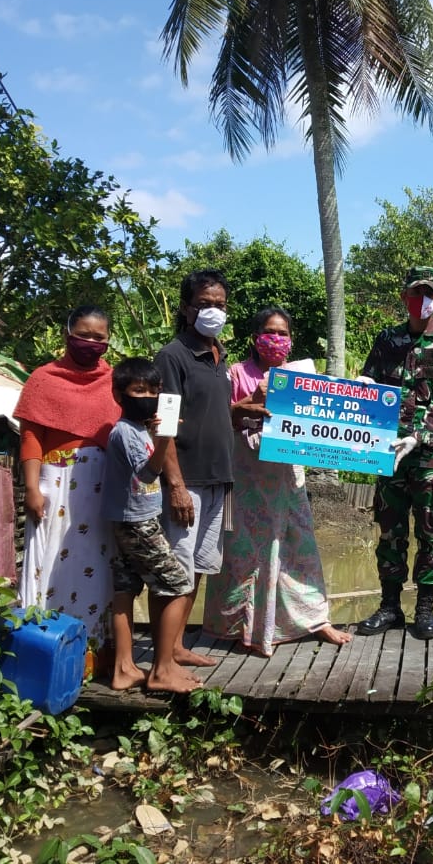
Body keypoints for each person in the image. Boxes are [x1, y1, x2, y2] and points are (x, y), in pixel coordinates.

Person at [202, 308, 352, 656]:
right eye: (270, 332)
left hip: (288, 475)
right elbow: (219, 419)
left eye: (283, 333)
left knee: (300, 547)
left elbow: (328, 422)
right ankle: (247, 627)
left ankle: (314, 620)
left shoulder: (301, 377)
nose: (277, 339)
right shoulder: (235, 373)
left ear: (291, 339)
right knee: (247, 553)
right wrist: (248, 404)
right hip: (248, 476)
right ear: (256, 336)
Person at [154, 270, 259, 668]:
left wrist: (239, 411)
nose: (213, 311)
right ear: (185, 307)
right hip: (188, 481)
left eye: (219, 304)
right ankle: (162, 665)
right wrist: (176, 485)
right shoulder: (173, 356)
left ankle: (177, 645)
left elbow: (207, 414)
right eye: (204, 303)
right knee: (174, 569)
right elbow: (164, 425)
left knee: (196, 567)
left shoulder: (217, 355)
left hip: (218, 479)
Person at [356, 267, 433, 640]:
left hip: (427, 457)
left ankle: (424, 608)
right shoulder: (388, 339)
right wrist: (360, 387)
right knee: (390, 531)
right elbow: (368, 383)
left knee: (431, 532)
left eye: (428, 293)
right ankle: (389, 607)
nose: (421, 300)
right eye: (415, 293)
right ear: (404, 297)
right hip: (387, 451)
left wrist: (417, 437)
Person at [15, 305, 121, 668]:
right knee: (48, 559)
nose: (91, 342)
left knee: (98, 562)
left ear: (108, 341)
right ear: (67, 334)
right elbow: (31, 437)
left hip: (100, 485)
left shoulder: (115, 382)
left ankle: (94, 651)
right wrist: (31, 488)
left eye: (99, 337)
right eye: (84, 335)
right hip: (54, 481)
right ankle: (43, 650)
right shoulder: (43, 379)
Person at [101, 358, 200, 693]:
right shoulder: (126, 432)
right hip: (136, 523)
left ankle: (124, 668)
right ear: (119, 394)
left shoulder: (139, 428)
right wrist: (163, 441)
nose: (147, 396)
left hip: (130, 519)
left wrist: (156, 433)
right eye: (138, 390)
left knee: (126, 588)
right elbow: (145, 475)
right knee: (178, 584)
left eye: (153, 390)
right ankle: (161, 670)